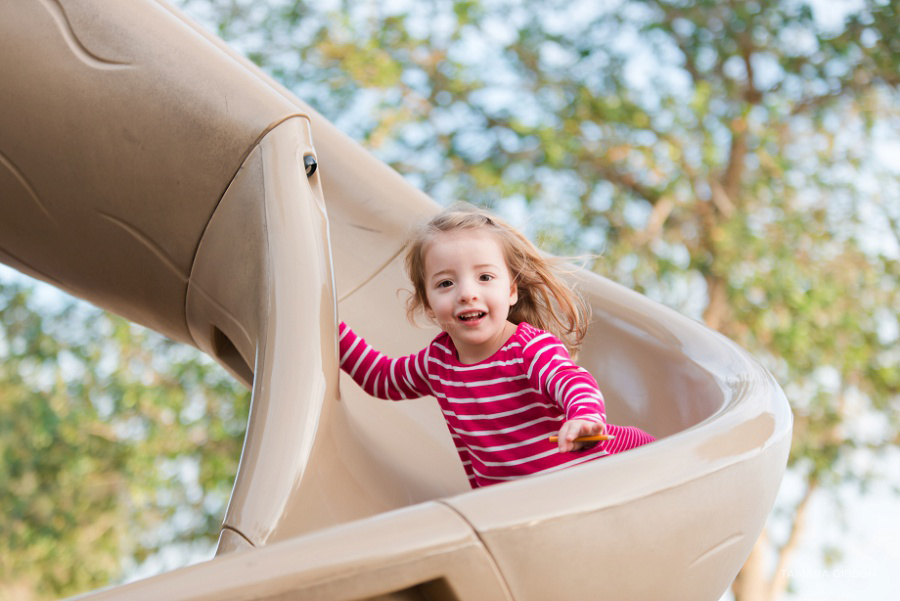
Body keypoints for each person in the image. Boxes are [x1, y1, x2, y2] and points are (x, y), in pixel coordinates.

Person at [338, 204, 655, 488]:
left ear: (512, 292)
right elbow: (382, 378)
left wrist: (585, 417)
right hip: (516, 508)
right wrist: (327, 322)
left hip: (594, 479)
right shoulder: (438, 363)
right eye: (445, 283)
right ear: (429, 306)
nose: (466, 293)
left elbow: (572, 381)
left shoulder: (529, 349)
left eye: (485, 277)